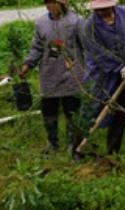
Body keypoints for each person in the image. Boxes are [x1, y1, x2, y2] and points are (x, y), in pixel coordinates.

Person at [81, 0, 125, 156]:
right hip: (103, 76)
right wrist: (119, 67)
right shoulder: (89, 26)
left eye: (105, 7)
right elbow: (97, 53)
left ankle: (113, 151)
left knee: (121, 111)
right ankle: (77, 148)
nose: (102, 11)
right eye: (98, 9)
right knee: (92, 110)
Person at [19, 0, 84, 155]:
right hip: (49, 73)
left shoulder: (77, 21)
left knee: (72, 111)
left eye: (52, 3)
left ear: (62, 4)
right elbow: (37, 47)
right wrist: (27, 65)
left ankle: (72, 144)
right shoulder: (41, 23)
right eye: (47, 3)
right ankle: (52, 143)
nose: (49, 6)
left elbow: (86, 46)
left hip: (72, 74)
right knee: (49, 110)